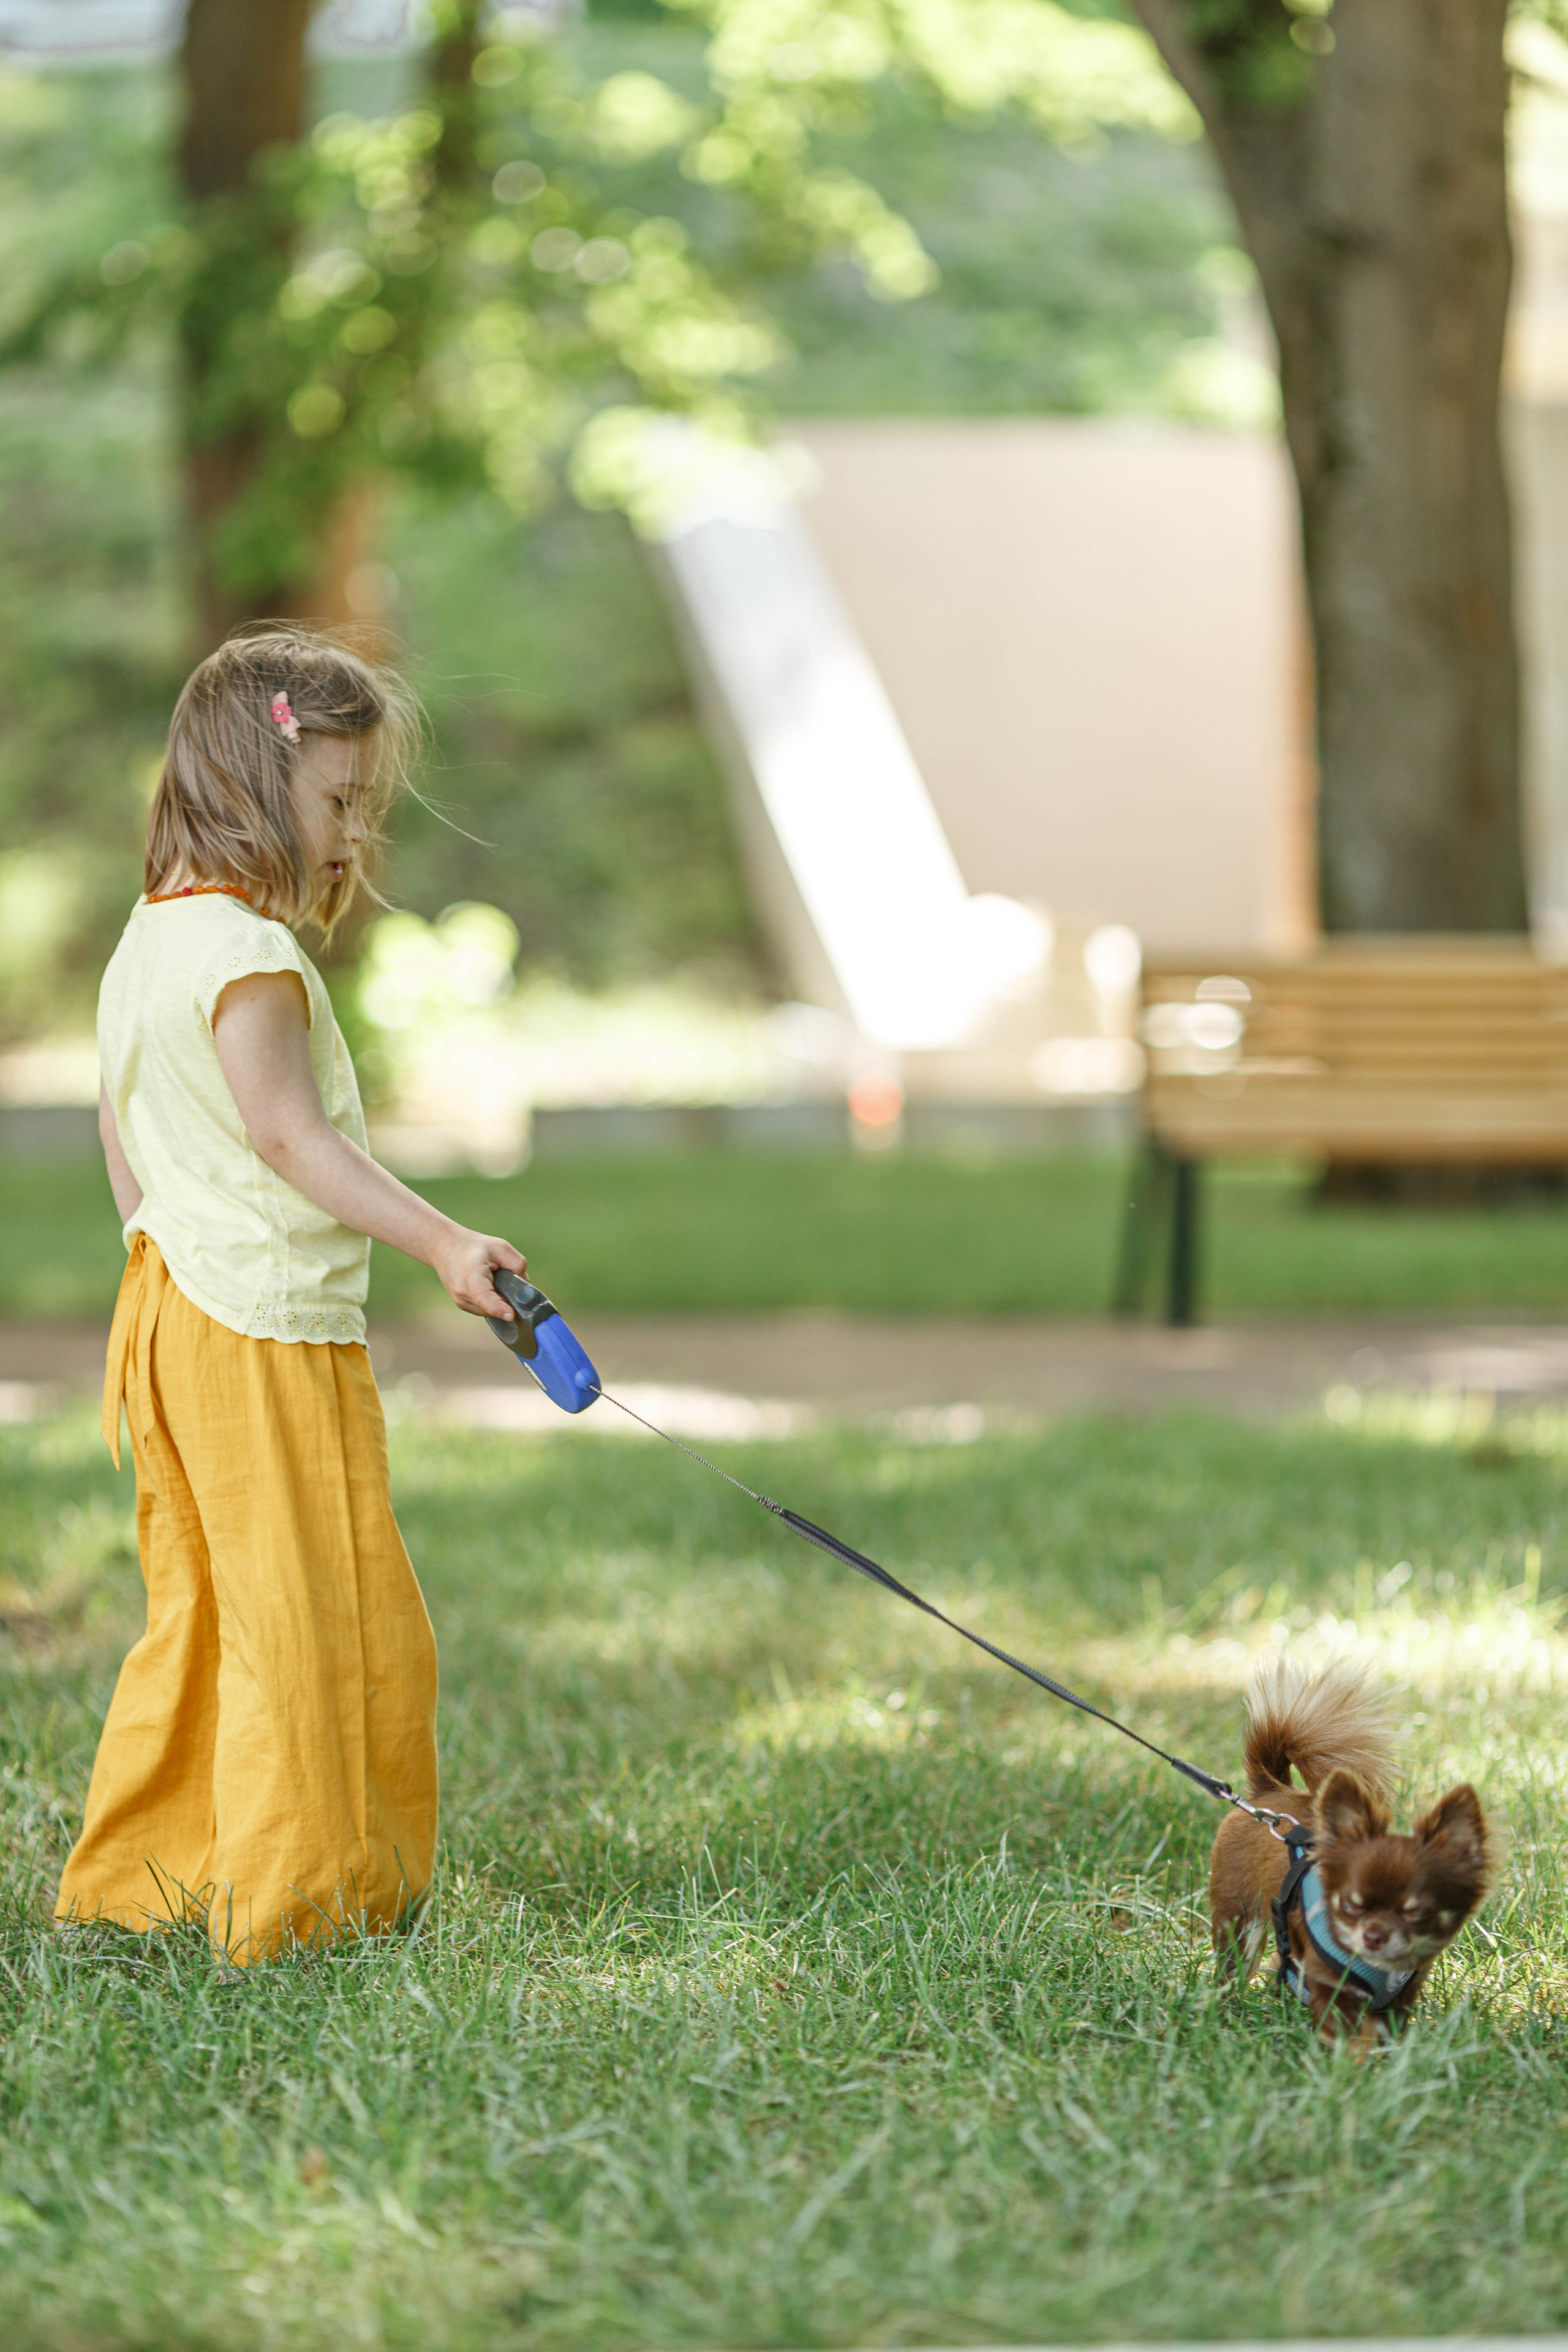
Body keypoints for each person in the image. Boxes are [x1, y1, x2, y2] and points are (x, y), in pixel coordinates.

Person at [54, 628, 526, 1964]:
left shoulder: (148, 944)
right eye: (336, 805)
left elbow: (120, 1125)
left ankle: (146, 1877)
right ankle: (303, 1900)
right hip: (258, 1331)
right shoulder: (248, 958)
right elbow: (289, 1138)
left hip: (170, 1313)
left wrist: (159, 1240)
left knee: (204, 1613)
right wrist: (443, 1243)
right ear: (253, 783)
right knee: (321, 1618)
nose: (350, 841)